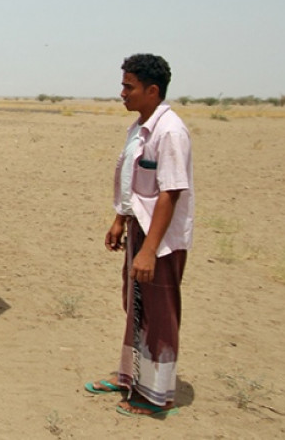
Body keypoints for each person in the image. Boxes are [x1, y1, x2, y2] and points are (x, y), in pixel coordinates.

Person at [85, 54, 194, 418]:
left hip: (159, 240)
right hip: (138, 231)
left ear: (152, 90)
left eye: (128, 87)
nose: (122, 93)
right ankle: (131, 376)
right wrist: (120, 219)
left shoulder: (171, 131)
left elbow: (170, 192)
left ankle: (157, 396)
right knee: (136, 306)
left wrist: (149, 250)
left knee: (159, 313)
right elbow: (135, 182)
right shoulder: (140, 127)